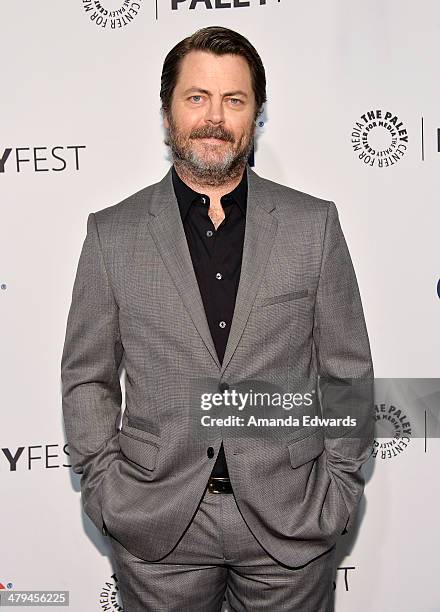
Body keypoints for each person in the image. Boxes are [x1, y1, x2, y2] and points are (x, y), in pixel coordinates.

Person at [61, 25, 374, 612]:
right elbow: (88, 377)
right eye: (196, 97)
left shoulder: (315, 225)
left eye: (234, 100)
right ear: (168, 111)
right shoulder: (112, 234)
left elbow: (347, 372)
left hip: (290, 516)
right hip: (159, 523)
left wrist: (339, 486)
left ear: (256, 114)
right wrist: (106, 490)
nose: (214, 117)